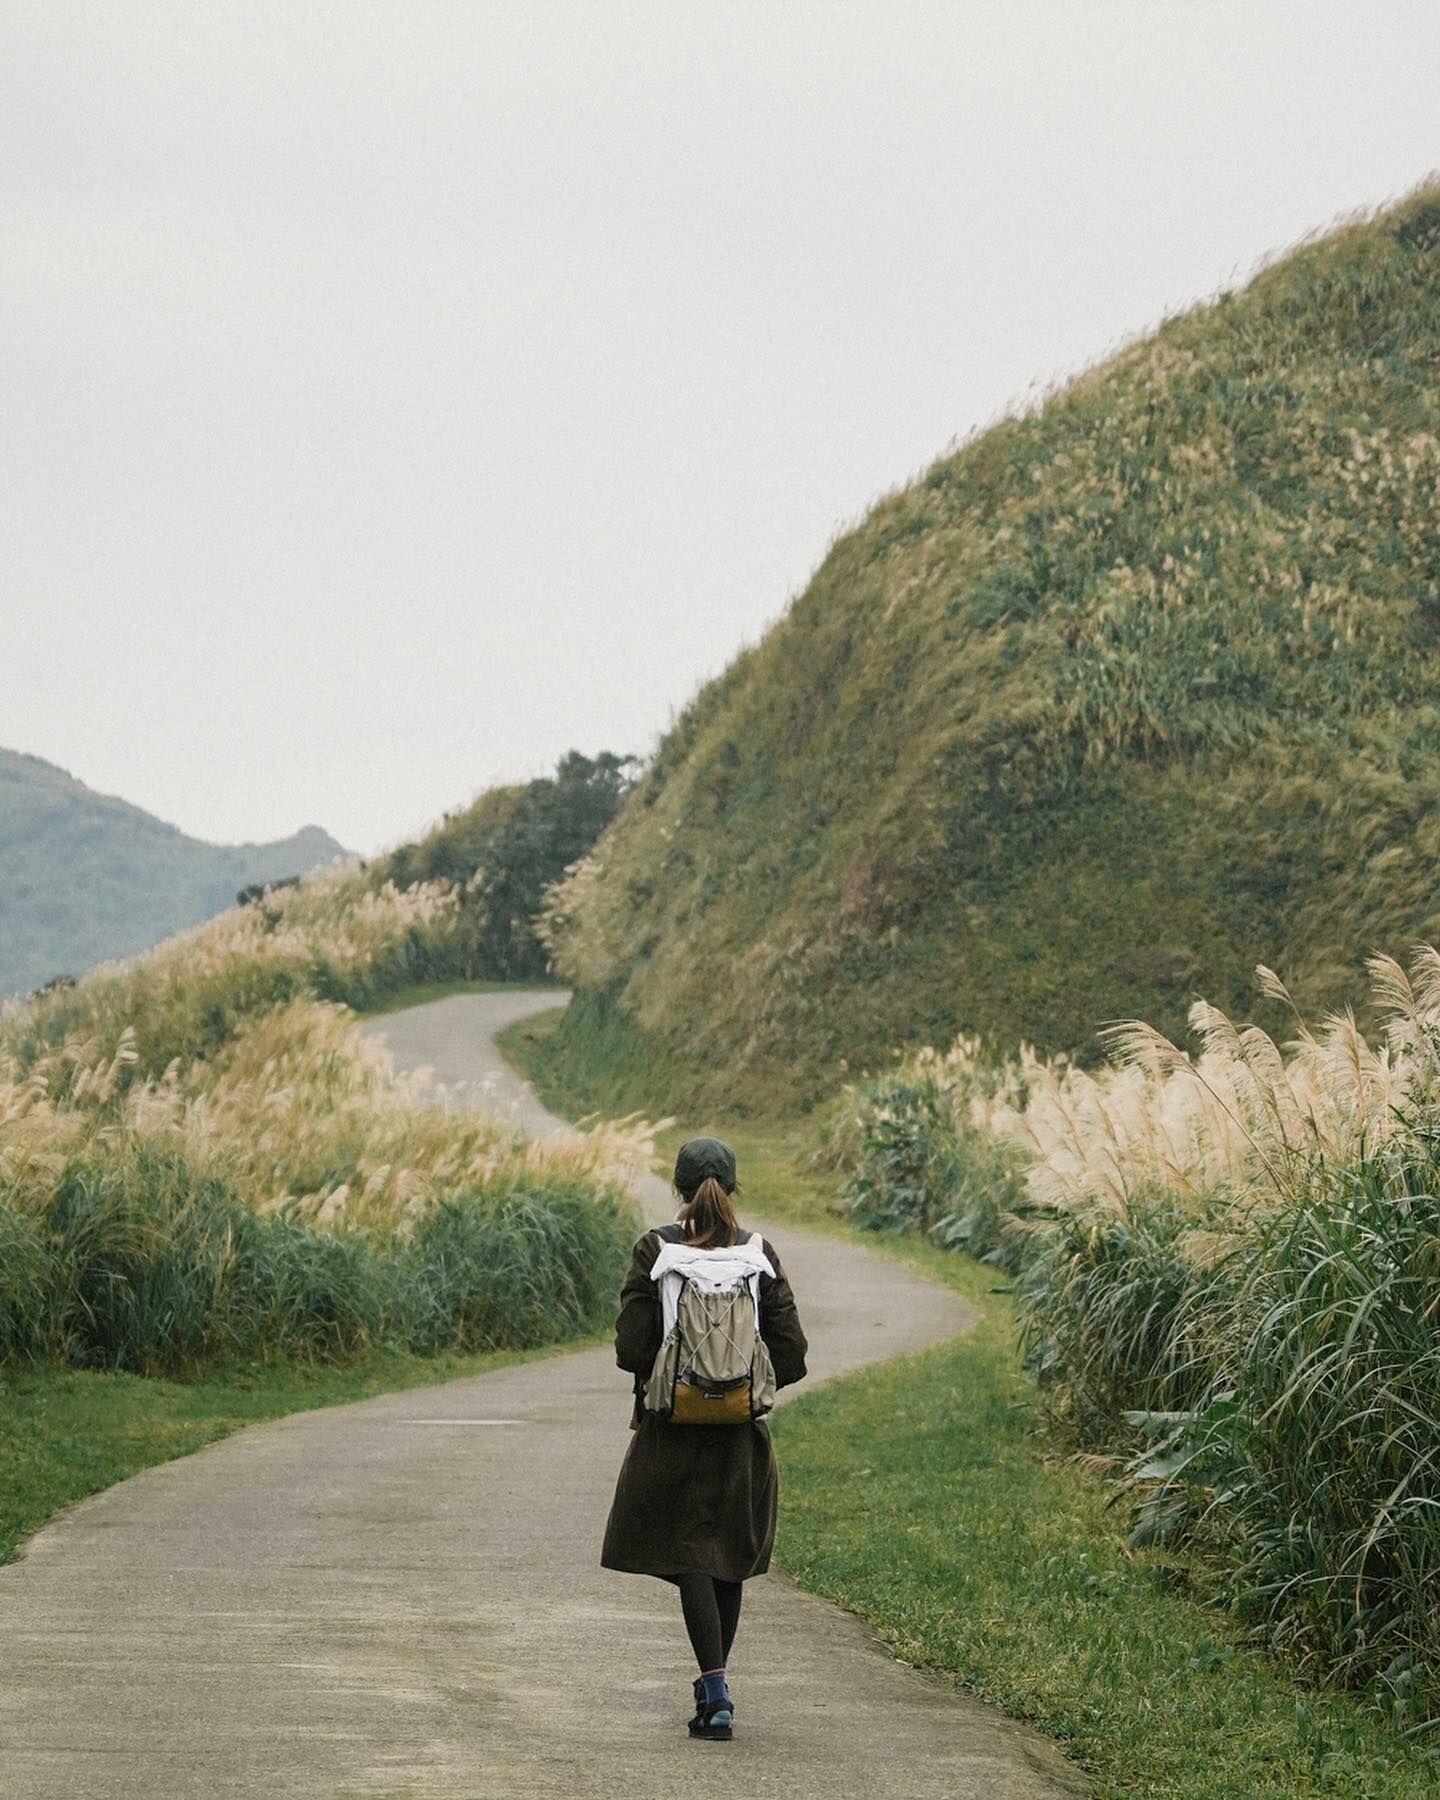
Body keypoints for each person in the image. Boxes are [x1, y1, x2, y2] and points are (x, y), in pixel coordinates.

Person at [600, 1135, 809, 1741]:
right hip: (740, 1436)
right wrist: (739, 1378)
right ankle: (714, 1682)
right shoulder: (758, 1254)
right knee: (725, 1559)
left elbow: (631, 1349)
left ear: (679, 1190)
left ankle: (715, 1687)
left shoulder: (654, 1250)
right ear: (734, 1189)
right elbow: (791, 1355)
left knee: (691, 1551)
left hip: (671, 1431)